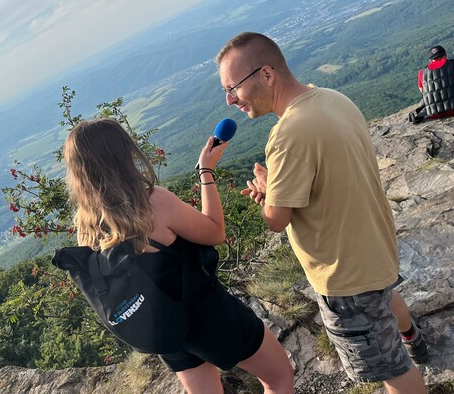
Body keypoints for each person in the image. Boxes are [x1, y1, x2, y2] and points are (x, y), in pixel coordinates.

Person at [215, 32, 428, 394]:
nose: (230, 99)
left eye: (233, 86)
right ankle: (413, 338)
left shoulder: (288, 134)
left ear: (267, 74)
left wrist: (268, 193)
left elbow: (276, 220)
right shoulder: (331, 98)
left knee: (392, 370)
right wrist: (278, 186)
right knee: (383, 300)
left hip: (344, 274)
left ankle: (408, 355)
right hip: (373, 248)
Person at [63, 118, 294, 393]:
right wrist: (206, 171)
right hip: (211, 316)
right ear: (122, 154)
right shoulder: (152, 202)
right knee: (279, 378)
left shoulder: (87, 226)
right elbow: (215, 232)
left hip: (167, 331)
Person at [417, 45, 454, 119]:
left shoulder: (422, 72)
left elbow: (423, 91)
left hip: (434, 114)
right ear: (445, 55)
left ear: (430, 60)